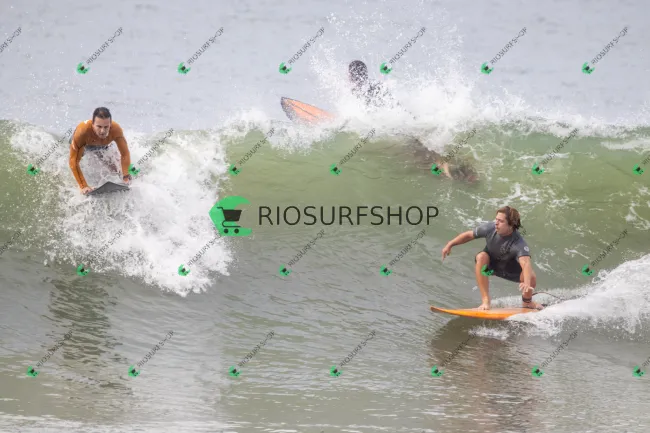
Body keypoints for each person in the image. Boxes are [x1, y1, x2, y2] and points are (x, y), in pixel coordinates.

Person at [441, 206, 543, 310]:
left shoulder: (518, 243)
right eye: (496, 219)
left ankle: (527, 302)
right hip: (489, 271)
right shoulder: (490, 228)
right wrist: (450, 244)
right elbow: (468, 235)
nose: (496, 223)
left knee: (531, 277)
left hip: (510, 273)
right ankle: (486, 301)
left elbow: (526, 263)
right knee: (481, 257)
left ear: (511, 225)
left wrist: (526, 283)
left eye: (501, 221)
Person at [69, 107, 132, 195]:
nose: (102, 131)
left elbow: (125, 154)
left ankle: (127, 178)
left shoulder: (116, 130)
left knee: (115, 167)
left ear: (110, 124)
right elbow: (73, 161)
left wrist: (126, 175)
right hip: (84, 144)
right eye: (99, 126)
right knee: (76, 162)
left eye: (106, 127)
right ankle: (80, 184)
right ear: (93, 124)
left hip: (101, 146)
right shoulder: (82, 131)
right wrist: (83, 186)